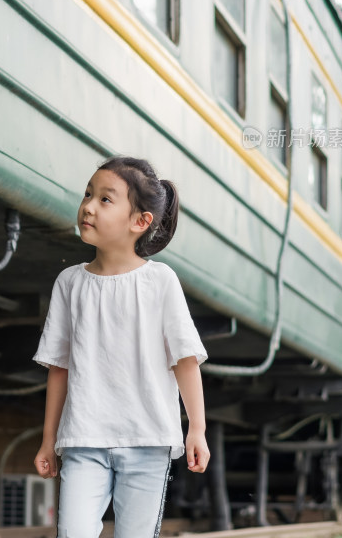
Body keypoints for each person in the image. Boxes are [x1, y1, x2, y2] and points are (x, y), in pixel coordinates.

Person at [32, 155, 210, 538]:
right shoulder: (69, 283)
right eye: (88, 194)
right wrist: (49, 441)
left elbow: (184, 358)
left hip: (148, 441)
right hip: (83, 439)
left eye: (105, 199)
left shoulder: (161, 281)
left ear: (140, 221)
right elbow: (59, 367)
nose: (88, 206)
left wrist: (197, 428)